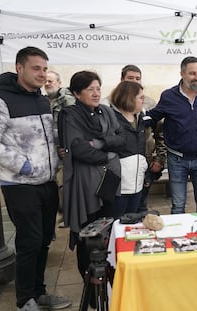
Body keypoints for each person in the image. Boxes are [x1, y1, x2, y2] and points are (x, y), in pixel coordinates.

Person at [0, 46, 71, 311]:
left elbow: (44, 136)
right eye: (35, 68)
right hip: (20, 185)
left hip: (47, 182)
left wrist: (57, 151)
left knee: (43, 241)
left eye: (44, 68)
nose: (41, 74)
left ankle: (39, 293)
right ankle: (24, 300)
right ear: (20, 68)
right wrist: (23, 165)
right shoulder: (0, 101)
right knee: (29, 242)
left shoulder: (42, 99)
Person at [58, 70, 124, 308]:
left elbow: (121, 139)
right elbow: (78, 150)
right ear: (76, 93)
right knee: (88, 232)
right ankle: (91, 284)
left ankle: (109, 281)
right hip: (85, 184)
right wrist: (109, 153)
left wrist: (101, 143)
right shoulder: (70, 116)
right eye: (90, 89)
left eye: (98, 87)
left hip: (109, 181)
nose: (96, 93)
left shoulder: (106, 111)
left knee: (109, 229)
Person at [146, 56, 197, 214]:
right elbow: (152, 117)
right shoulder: (168, 96)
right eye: (192, 74)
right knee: (178, 206)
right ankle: (179, 238)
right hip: (176, 160)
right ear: (182, 74)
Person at [102, 65, 166, 212]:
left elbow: (159, 134)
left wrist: (159, 159)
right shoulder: (109, 113)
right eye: (131, 78)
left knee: (138, 216)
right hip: (119, 182)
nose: (135, 82)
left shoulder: (144, 112)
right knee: (118, 220)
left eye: (138, 78)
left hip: (142, 176)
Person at [109, 80, 148, 217]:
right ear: (129, 98)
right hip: (119, 185)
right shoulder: (112, 120)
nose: (144, 100)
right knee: (117, 221)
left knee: (132, 220)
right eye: (141, 97)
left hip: (137, 183)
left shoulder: (141, 119)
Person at [44, 70, 75, 227]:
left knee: (63, 185)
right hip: (49, 152)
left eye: (51, 81)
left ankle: (67, 216)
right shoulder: (43, 100)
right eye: (46, 81)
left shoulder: (67, 100)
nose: (48, 84)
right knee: (55, 186)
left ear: (59, 83)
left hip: (63, 150)